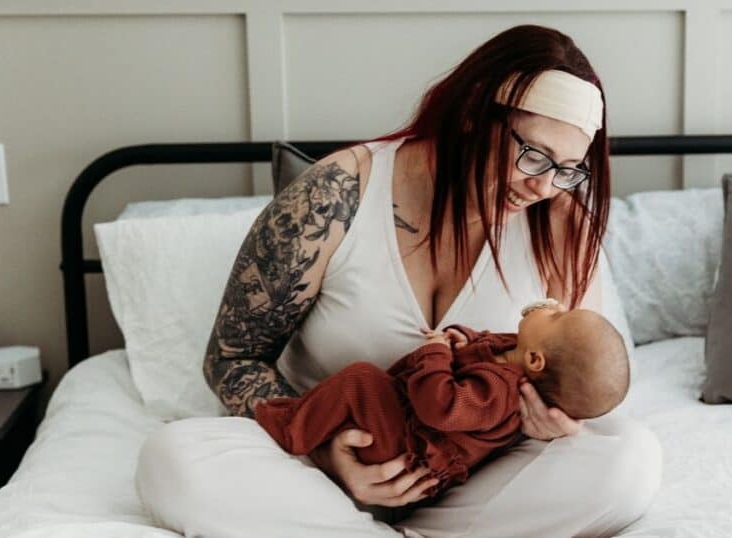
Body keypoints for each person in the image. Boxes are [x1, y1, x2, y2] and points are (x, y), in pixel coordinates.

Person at [135, 24, 662, 537]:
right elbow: (231, 358)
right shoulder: (336, 195)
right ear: (476, 112)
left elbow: (572, 377)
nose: (543, 185)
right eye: (534, 154)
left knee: (629, 460)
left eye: (569, 168)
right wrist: (327, 453)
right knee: (173, 462)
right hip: (322, 471)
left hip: (468, 479)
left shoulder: (563, 225)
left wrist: (558, 425)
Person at [253, 300, 631, 499]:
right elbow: (482, 344)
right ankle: (312, 436)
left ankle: (287, 430)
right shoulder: (515, 348)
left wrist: (436, 351)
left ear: (536, 360)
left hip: (409, 451)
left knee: (361, 379)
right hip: (404, 431)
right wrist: (460, 338)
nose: (551, 305)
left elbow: (442, 406)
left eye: (557, 316)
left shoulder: (501, 392)